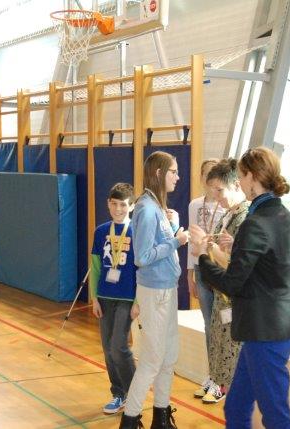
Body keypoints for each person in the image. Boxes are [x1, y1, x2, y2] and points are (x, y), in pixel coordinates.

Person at [190, 147, 290, 429]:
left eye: (241, 176)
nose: (240, 183)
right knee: (237, 406)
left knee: (275, 415)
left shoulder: (255, 222)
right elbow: (268, 265)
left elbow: (232, 283)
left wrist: (203, 256)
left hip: (266, 331)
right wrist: (237, 248)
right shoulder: (281, 213)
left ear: (252, 177)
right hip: (276, 325)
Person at [120, 151, 190, 429]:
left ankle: (161, 416)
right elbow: (143, 257)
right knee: (152, 359)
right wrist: (176, 241)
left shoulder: (156, 206)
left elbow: (157, 244)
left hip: (167, 289)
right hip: (155, 291)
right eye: (173, 171)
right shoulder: (147, 209)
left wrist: (172, 227)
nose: (178, 177)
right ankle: (130, 419)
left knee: (169, 356)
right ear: (159, 173)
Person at [198, 158, 250, 404]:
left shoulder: (245, 217)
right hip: (222, 295)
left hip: (235, 300)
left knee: (235, 355)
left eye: (220, 191)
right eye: (213, 192)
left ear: (236, 185)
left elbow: (234, 264)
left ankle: (234, 399)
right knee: (221, 347)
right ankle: (220, 386)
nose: (216, 197)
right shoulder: (229, 215)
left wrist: (208, 249)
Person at [90, 183, 139, 414]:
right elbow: (96, 266)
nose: (118, 209)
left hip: (127, 298)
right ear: (108, 204)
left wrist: (138, 301)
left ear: (132, 206)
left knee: (119, 345)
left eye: (123, 205)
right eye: (114, 204)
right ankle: (118, 393)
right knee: (108, 348)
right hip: (104, 297)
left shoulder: (137, 231)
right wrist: (94, 298)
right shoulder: (101, 231)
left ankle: (134, 393)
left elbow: (142, 269)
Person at [187, 158, 226, 399]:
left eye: (215, 175)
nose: (211, 180)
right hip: (201, 269)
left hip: (220, 270)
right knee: (208, 324)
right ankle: (213, 374)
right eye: (207, 175)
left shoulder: (226, 205)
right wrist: (190, 273)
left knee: (222, 324)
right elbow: (192, 242)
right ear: (202, 178)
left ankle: (222, 380)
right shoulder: (195, 205)